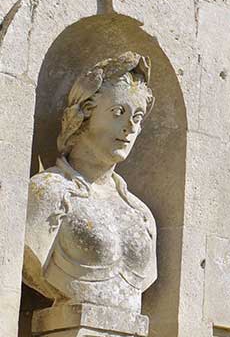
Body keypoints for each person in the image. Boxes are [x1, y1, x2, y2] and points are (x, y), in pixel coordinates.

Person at [23, 52, 157, 311]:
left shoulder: (141, 214)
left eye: (138, 117)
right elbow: (32, 260)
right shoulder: (48, 191)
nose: (130, 126)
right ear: (85, 113)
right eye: (118, 112)